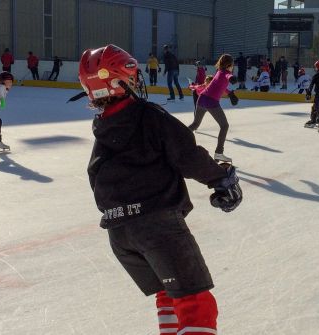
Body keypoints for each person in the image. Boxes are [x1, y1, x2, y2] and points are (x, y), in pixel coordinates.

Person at [78, 44, 242, 335]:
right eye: (132, 76)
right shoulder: (148, 116)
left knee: (169, 296)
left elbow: (95, 178)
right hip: (157, 228)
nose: (136, 81)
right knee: (196, 305)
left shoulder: (103, 129)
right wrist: (221, 180)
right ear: (121, 82)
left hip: (120, 233)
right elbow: (186, 154)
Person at [188, 54, 239, 162]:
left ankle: (178, 136)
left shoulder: (218, 72)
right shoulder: (226, 73)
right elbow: (228, 77)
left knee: (195, 124)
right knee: (224, 126)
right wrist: (232, 78)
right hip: (211, 102)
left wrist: (230, 94)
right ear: (229, 64)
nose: (233, 67)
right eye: (232, 65)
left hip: (202, 99)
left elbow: (220, 86)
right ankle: (219, 153)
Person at [304, 60, 319, 128]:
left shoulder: (316, 75)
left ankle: (313, 121)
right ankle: (317, 119)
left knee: (315, 107)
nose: (315, 68)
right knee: (317, 106)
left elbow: (311, 85)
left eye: (316, 67)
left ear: (318, 67)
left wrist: (308, 93)